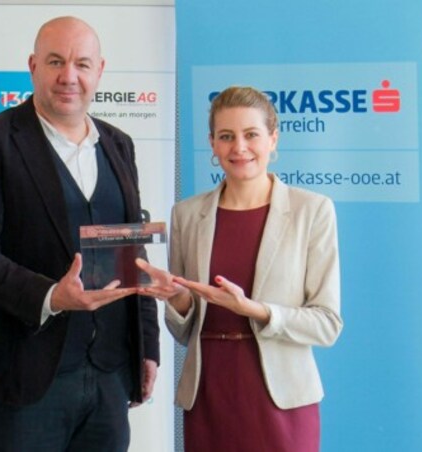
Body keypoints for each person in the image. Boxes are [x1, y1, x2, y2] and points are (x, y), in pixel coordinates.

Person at [0, 16, 159, 452]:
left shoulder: (119, 144)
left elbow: (130, 252)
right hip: (24, 376)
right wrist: (50, 297)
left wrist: (147, 346)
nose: (69, 76)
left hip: (108, 376)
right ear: (33, 66)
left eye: (82, 63)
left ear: (100, 70)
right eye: (56, 62)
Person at [137, 86, 343, 451]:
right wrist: (180, 300)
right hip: (209, 393)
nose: (239, 148)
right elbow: (183, 330)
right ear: (212, 144)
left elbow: (326, 324)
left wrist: (255, 310)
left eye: (251, 135)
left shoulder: (312, 211)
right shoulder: (187, 215)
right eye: (226, 137)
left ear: (273, 139)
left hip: (280, 399)